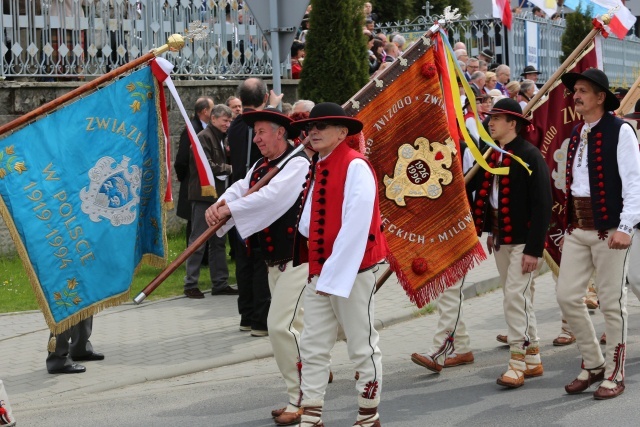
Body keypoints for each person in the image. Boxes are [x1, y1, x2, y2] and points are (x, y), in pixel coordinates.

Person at [206, 110, 309, 426]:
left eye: (262, 132)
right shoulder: (261, 166)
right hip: (273, 264)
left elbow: (272, 198)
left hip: (298, 262)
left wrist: (231, 209)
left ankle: (301, 397)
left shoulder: (298, 163)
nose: (257, 138)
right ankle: (316, 370)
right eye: (256, 133)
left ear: (281, 133)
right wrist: (220, 204)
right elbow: (242, 186)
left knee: (280, 327)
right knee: (300, 328)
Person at [291, 103, 389, 426]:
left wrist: (332, 275)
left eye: (323, 126)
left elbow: (356, 226)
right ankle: (312, 415)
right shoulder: (317, 165)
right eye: (312, 126)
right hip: (321, 272)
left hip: (352, 272)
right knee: (312, 345)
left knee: (362, 344)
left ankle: (367, 414)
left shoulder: (355, 166)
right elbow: (308, 222)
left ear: (343, 132)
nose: (313, 131)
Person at [556, 68, 640, 399]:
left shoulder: (621, 131)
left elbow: (634, 182)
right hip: (578, 227)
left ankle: (615, 372)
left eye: (582, 91)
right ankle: (593, 362)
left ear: (601, 97)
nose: (575, 96)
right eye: (575, 90)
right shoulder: (578, 131)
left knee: (611, 301)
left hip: (609, 230)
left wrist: (626, 226)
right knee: (566, 297)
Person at [471, 98, 552, 389]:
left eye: (496, 118)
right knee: (520, 297)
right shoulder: (491, 153)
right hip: (501, 239)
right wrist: (490, 229)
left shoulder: (530, 156)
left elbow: (543, 205)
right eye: (490, 118)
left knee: (513, 298)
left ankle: (516, 362)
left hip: (523, 242)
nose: (490, 122)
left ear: (512, 124)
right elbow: (485, 193)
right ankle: (533, 357)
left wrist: (534, 249)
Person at [226, 78, 283, 334]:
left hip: (239, 199)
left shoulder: (235, 124)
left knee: (243, 260)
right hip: (252, 194)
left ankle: (246, 315)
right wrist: (273, 109)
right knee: (260, 259)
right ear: (262, 99)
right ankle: (259, 320)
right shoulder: (254, 126)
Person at [183, 104, 235, 299]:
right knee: (199, 239)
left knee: (218, 240)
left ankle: (220, 282)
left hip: (218, 196)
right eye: (225, 120)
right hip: (204, 197)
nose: (228, 124)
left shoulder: (220, 138)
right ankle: (190, 284)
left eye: (230, 121)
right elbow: (206, 165)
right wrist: (230, 168)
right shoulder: (204, 137)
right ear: (213, 119)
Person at [175, 97, 214, 248]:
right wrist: (183, 177)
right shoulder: (192, 130)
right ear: (204, 111)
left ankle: (203, 255)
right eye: (212, 109)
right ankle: (193, 254)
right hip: (193, 182)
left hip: (202, 183)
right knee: (194, 221)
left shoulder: (207, 128)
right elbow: (182, 159)